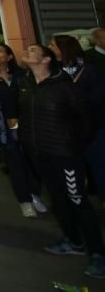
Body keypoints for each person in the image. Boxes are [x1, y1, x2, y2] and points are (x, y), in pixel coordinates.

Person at [20, 44, 104, 280]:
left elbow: (86, 121)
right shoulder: (26, 85)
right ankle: (73, 241)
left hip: (65, 155)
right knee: (58, 200)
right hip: (38, 154)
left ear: (46, 59)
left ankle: (98, 253)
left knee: (78, 200)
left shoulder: (65, 87)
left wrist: (72, 146)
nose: (27, 51)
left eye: (33, 50)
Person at [0, 43, 45, 217]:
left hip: (25, 124)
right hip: (1, 126)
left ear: (10, 56)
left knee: (33, 161)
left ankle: (34, 195)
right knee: (15, 162)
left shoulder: (21, 74)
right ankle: (24, 201)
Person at [53, 34, 105, 198]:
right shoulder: (56, 71)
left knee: (99, 166)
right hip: (69, 131)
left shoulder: (89, 70)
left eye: (53, 45)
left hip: (93, 127)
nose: (50, 49)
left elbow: (99, 97)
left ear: (64, 49)